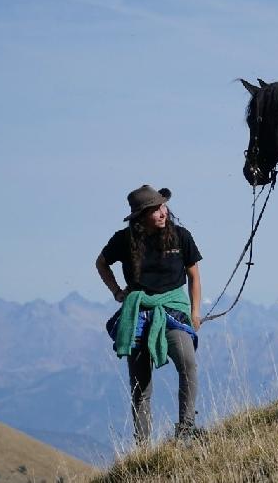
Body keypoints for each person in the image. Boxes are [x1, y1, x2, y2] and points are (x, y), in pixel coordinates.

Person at [95, 184, 203, 444]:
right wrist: (116, 291)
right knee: (140, 386)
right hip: (138, 314)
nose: (162, 213)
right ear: (141, 217)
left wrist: (195, 312)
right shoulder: (124, 240)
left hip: (174, 312)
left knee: (187, 365)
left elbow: (194, 277)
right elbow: (101, 262)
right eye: (155, 210)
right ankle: (143, 446)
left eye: (163, 206)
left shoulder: (181, 236)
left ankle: (186, 431)